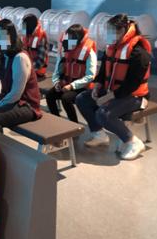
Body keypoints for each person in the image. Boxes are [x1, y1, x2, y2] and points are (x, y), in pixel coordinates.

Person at [76, 14, 151, 160]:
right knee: (82, 99)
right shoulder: (111, 48)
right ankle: (99, 134)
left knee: (103, 114)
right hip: (113, 90)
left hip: (135, 96)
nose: (108, 35)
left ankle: (132, 141)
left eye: (111, 31)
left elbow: (132, 85)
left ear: (122, 30)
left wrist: (107, 98)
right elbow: (103, 70)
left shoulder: (139, 53)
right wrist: (97, 86)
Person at [0, 19, 42, 132]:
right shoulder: (4, 54)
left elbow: (16, 94)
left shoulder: (20, 58)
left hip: (26, 105)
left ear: (11, 37)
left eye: (2, 36)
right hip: (9, 98)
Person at [45, 24, 97, 122]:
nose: (69, 41)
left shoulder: (89, 52)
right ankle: (57, 120)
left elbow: (91, 76)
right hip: (65, 83)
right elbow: (57, 70)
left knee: (66, 98)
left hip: (82, 87)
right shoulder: (64, 48)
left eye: (72, 38)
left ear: (79, 39)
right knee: (50, 95)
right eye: (68, 38)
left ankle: (74, 124)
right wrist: (56, 82)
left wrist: (72, 86)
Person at [21, 14, 49, 79]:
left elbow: (41, 61)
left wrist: (28, 69)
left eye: (24, 26)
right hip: (27, 68)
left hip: (37, 71)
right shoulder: (26, 33)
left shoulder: (41, 36)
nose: (23, 28)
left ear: (30, 26)